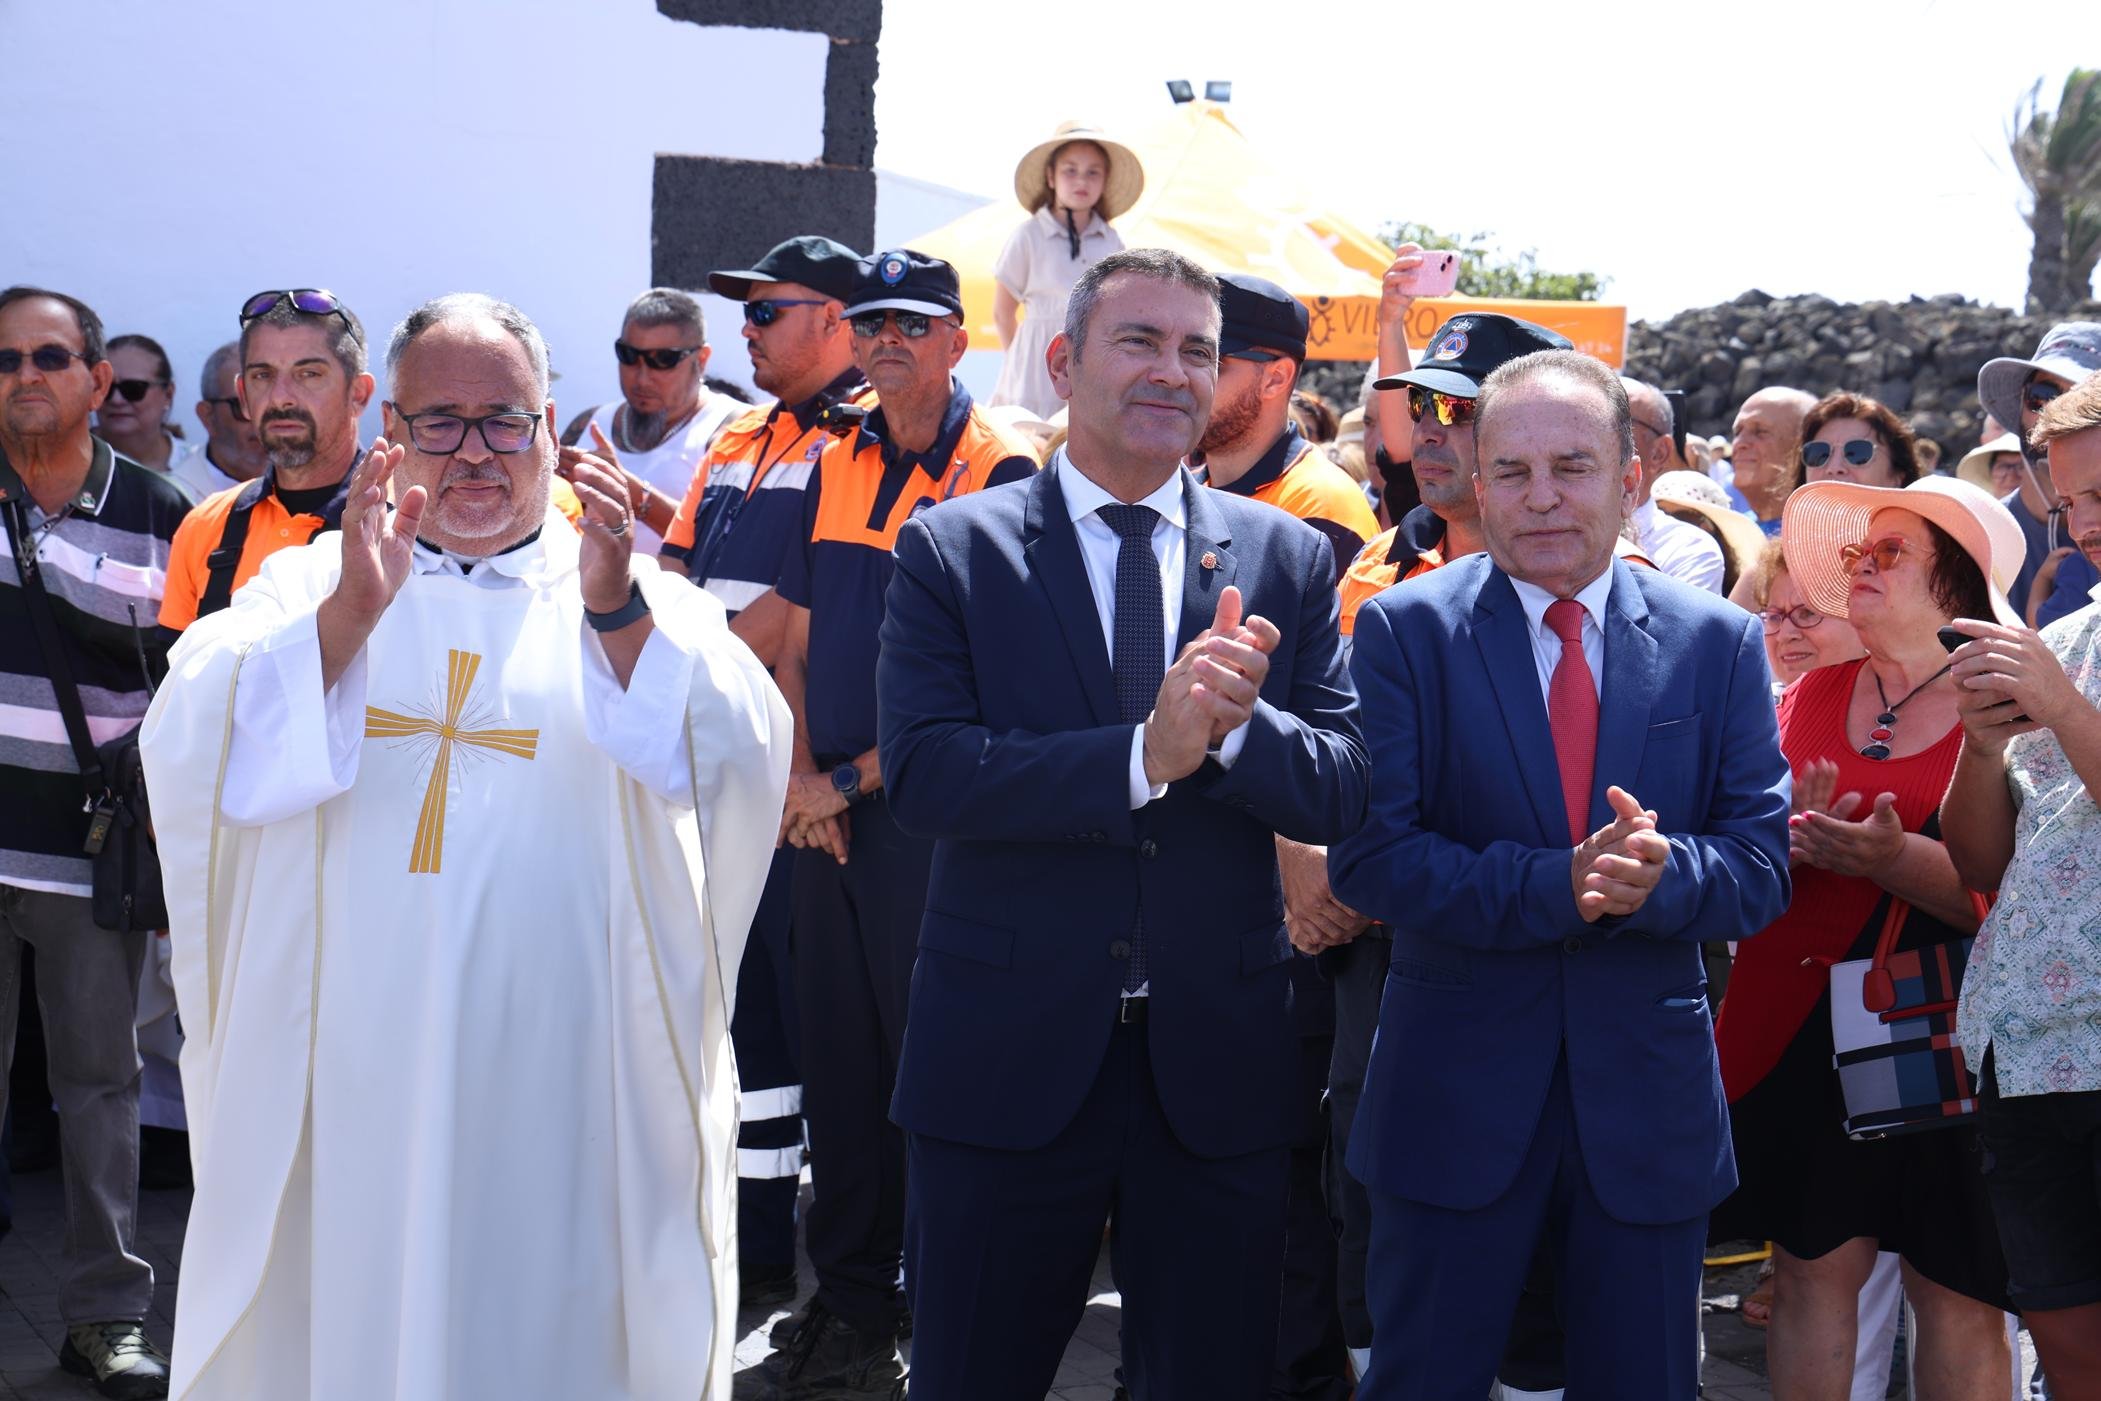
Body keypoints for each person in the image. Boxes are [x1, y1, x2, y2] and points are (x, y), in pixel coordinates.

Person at [138, 292, 790, 1401]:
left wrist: (615, 612)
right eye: (441, 421)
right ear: (391, 433)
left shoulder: (624, 585)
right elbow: (197, 742)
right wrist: (351, 613)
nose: (475, 451)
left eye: (506, 420)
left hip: (568, 1070)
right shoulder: (309, 584)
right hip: (356, 1070)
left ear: (550, 431)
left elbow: (732, 755)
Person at [877, 245, 1366, 1401]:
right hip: (1005, 1060)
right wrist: (1143, 756)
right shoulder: (955, 548)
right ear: (1062, 361)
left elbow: (1344, 785)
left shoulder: (1287, 556)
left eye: (1197, 349)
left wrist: (1238, 731)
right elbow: (927, 775)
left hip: (1219, 1070)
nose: (1173, 371)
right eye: (1138, 341)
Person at [1330, 349, 1791, 1399]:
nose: (1542, 498)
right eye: (1515, 471)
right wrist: (1557, 885)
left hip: (1645, 1111)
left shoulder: (1716, 644)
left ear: (1629, 479)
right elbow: (1373, 857)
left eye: (1572, 467)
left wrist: (1663, 876)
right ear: (1476, 483)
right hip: (1452, 1101)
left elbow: (1759, 869)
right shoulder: (1405, 631)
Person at [761, 250, 1036, 1398]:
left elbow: (993, 677)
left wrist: (847, 783)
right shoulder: (833, 453)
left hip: (934, 821)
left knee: (939, 1076)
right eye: (870, 322)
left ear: (957, 340)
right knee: (840, 1070)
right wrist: (795, 780)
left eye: (912, 324)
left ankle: (945, 1311)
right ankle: (855, 1305)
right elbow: (783, 637)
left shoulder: (1004, 466)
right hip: (823, 814)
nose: (886, 342)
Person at [1712, 474, 2027, 1400]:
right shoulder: (1807, 691)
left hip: (1948, 1033)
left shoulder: (2001, 702)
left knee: (1958, 1291)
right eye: (1857, 551)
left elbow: (2020, 896)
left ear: (1957, 585)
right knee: (1810, 1271)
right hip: (1797, 1022)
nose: (1860, 566)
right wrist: (1776, 838)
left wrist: (1885, 860)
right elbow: (1735, 841)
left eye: (1889, 552)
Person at [655, 233, 865, 1311]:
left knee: (800, 1026)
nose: (745, 327)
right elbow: (678, 571)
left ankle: (803, 1279)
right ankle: (738, 1248)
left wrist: (689, 653)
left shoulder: (863, 437)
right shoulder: (733, 429)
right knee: (735, 1020)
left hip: (801, 780)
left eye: (767, 309)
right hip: (714, 764)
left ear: (835, 319)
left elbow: (797, 612)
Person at [1185, 270, 1375, 1401]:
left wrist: (1292, 861)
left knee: (1286, 1177)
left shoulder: (1320, 512)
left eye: (1212, 352)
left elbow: (1319, 731)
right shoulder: (1198, 495)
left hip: (1290, 900)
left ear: (1274, 377)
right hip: (1223, 890)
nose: (1186, 373)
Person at [0, 284, 189, 1399]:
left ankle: (105, 1318)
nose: (26, 376)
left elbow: (188, 687)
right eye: (8, 359)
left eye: (49, 357)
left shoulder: (164, 512)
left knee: (100, 1090)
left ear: (97, 381)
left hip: (87, 856)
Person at [1943, 370, 2101, 1396]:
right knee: (2068, 1365)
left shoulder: (2058, 659)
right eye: (2069, 500)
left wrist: (2058, 705)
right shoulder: (2071, 638)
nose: (2083, 523)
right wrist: (1974, 746)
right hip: (2026, 1054)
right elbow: (1980, 863)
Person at [1338, 312, 1571, 635]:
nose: (1426, 432)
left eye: (1458, 408)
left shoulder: (1582, 581)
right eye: (1418, 403)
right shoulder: (1375, 563)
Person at [159, 290, 373, 634]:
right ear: (243, 397)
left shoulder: (400, 522)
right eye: (263, 376)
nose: (281, 397)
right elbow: (175, 682)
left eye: (309, 374)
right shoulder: (205, 525)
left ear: (358, 394)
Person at [559, 287, 747, 553]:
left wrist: (630, 492)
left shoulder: (734, 430)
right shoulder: (590, 422)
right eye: (629, 356)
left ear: (701, 359)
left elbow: (729, 544)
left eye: (664, 360)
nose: (642, 377)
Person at [991, 120, 1143, 419]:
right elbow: (1001, 312)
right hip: (1034, 362)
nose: (1081, 181)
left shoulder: (1111, 241)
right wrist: (1020, 360)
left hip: (1090, 360)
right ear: (1051, 176)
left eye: (1092, 172)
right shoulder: (1029, 235)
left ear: (1105, 179)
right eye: (1070, 170)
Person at [1977, 323, 2101, 617]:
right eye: (2042, 395)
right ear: (2021, 402)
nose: (2056, 413)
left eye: (2082, 400)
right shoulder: (1980, 538)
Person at [1621, 376, 1725, 591]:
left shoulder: (1689, 550)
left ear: (1659, 452)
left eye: (1615, 422)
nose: (1585, 435)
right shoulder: (1544, 526)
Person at [1746, 539, 1867, 688]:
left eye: (1808, 613)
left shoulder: (1896, 709)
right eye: (1774, 617)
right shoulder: (1755, 708)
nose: (1784, 635)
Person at [1650, 469, 1768, 599]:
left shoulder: (1744, 595)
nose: (1668, 523)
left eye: (1683, 517)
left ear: (1709, 528)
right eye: (1660, 513)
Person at [95, 333, 190, 487]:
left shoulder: (198, 467)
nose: (116, 400)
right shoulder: (73, 462)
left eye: (134, 389)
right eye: (106, 388)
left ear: (168, 394)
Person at [177, 342, 267, 500]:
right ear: (208, 417)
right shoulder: (175, 500)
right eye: (244, 405)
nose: (261, 422)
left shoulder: (310, 484)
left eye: (271, 407)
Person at [1731, 385, 1817, 535]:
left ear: (1802, 448)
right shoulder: (1733, 531)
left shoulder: (1819, 539)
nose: (1740, 443)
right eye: (1738, 431)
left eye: (1760, 431)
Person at [1799, 391, 1925, 489]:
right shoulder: (1785, 522)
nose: (1834, 467)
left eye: (1857, 453)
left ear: (1897, 477)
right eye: (1819, 454)